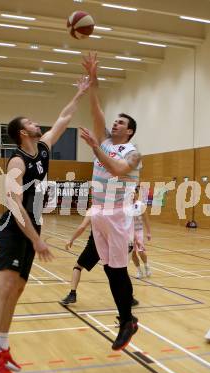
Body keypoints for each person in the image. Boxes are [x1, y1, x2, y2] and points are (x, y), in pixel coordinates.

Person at [0, 76, 90, 373]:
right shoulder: (16, 162)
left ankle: (2, 346)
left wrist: (80, 93)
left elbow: (64, 117)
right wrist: (37, 241)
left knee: (17, 289)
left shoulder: (42, 149)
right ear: (21, 132)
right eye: (30, 122)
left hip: (33, 228)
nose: (36, 124)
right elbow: (15, 207)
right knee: (4, 287)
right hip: (14, 228)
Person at [80, 52, 142, 351]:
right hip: (98, 213)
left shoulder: (133, 152)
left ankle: (127, 319)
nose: (114, 124)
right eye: (114, 121)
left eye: (120, 123)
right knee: (108, 268)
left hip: (118, 215)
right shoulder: (103, 141)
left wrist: (95, 149)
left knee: (117, 269)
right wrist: (93, 79)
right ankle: (126, 316)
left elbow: (117, 170)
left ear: (129, 130)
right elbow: (96, 109)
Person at [61, 214, 139, 307]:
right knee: (119, 271)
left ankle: (72, 294)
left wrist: (71, 240)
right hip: (111, 243)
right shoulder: (111, 210)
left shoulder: (93, 210)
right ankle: (128, 298)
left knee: (78, 267)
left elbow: (82, 227)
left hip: (95, 244)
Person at [131, 186, 152, 279]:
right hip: (129, 232)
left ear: (137, 194)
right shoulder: (125, 205)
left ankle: (146, 266)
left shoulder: (141, 205)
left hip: (139, 231)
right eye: (131, 193)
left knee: (140, 251)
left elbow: (146, 220)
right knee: (132, 252)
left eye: (134, 193)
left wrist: (148, 232)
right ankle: (139, 270)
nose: (132, 195)